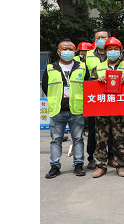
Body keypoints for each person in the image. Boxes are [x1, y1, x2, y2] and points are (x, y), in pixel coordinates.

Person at [89, 37, 124, 178]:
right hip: (102, 110)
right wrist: (97, 81)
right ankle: (101, 166)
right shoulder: (98, 68)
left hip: (120, 110)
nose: (113, 51)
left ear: (120, 51)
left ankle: (121, 165)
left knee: (120, 138)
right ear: (105, 51)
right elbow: (90, 87)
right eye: (110, 49)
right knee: (101, 139)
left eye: (116, 49)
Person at [42, 39, 89, 178]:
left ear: (75, 51)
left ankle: (79, 164)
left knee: (78, 138)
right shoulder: (50, 68)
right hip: (57, 109)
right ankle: (55, 166)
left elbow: (87, 87)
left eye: (70, 49)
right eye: (64, 49)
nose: (67, 52)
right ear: (58, 51)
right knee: (56, 139)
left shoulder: (82, 66)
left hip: (77, 109)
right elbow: (45, 87)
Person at [84, 28, 116, 170]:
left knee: (111, 130)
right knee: (93, 130)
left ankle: (110, 156)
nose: (100, 40)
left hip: (112, 98)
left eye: (104, 37)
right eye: (98, 38)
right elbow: (84, 76)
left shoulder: (115, 55)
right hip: (94, 98)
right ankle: (92, 157)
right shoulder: (87, 55)